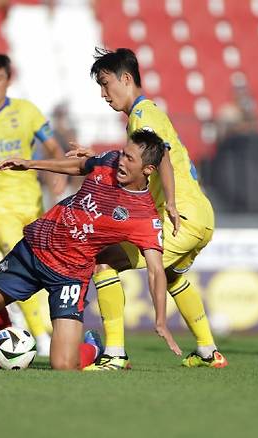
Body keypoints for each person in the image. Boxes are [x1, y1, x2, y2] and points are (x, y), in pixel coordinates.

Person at [0, 129, 181, 370]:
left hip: (68, 276)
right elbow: (81, 165)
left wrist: (161, 320)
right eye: (123, 153)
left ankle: (92, 346)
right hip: (33, 248)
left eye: (130, 159)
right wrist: (30, 164)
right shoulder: (109, 161)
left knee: (64, 365)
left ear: (148, 170)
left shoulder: (144, 216)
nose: (121, 160)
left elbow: (156, 271)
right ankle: (7, 337)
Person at [72, 48, 226, 370]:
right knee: (171, 276)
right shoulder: (149, 115)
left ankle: (114, 354)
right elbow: (146, 158)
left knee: (105, 261)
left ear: (126, 79)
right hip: (201, 216)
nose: (103, 94)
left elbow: (164, 158)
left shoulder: (142, 116)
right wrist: (100, 157)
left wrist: (169, 203)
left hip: (179, 218)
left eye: (105, 84)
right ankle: (209, 351)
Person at [0, 53, 67, 359]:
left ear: (8, 80)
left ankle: (19, 326)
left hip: (31, 202)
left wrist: (56, 175)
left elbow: (53, 146)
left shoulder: (27, 111)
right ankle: (41, 339)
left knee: (38, 264)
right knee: (16, 260)